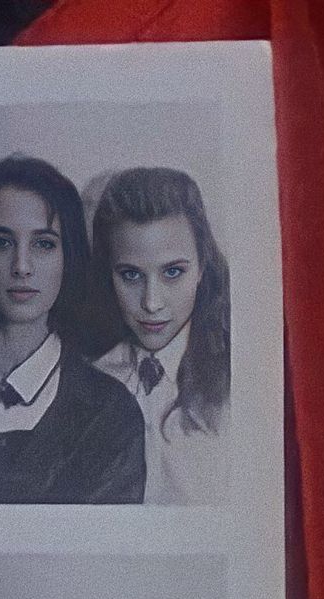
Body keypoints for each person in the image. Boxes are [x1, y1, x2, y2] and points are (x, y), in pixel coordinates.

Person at [0, 155, 146, 504]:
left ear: (69, 255)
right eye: (1, 242)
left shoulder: (110, 417)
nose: (22, 266)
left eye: (44, 244)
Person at [90, 167, 230, 505]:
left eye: (172, 272)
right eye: (131, 275)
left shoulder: (239, 382)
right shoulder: (88, 377)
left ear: (201, 268)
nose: (151, 303)